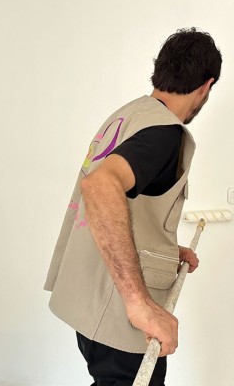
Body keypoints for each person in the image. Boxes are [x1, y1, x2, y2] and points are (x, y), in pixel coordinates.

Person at [43, 28, 222, 385]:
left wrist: (164, 251)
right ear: (206, 86)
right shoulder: (163, 132)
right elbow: (100, 188)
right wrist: (138, 302)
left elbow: (130, 204)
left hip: (91, 297)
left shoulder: (129, 115)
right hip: (118, 313)